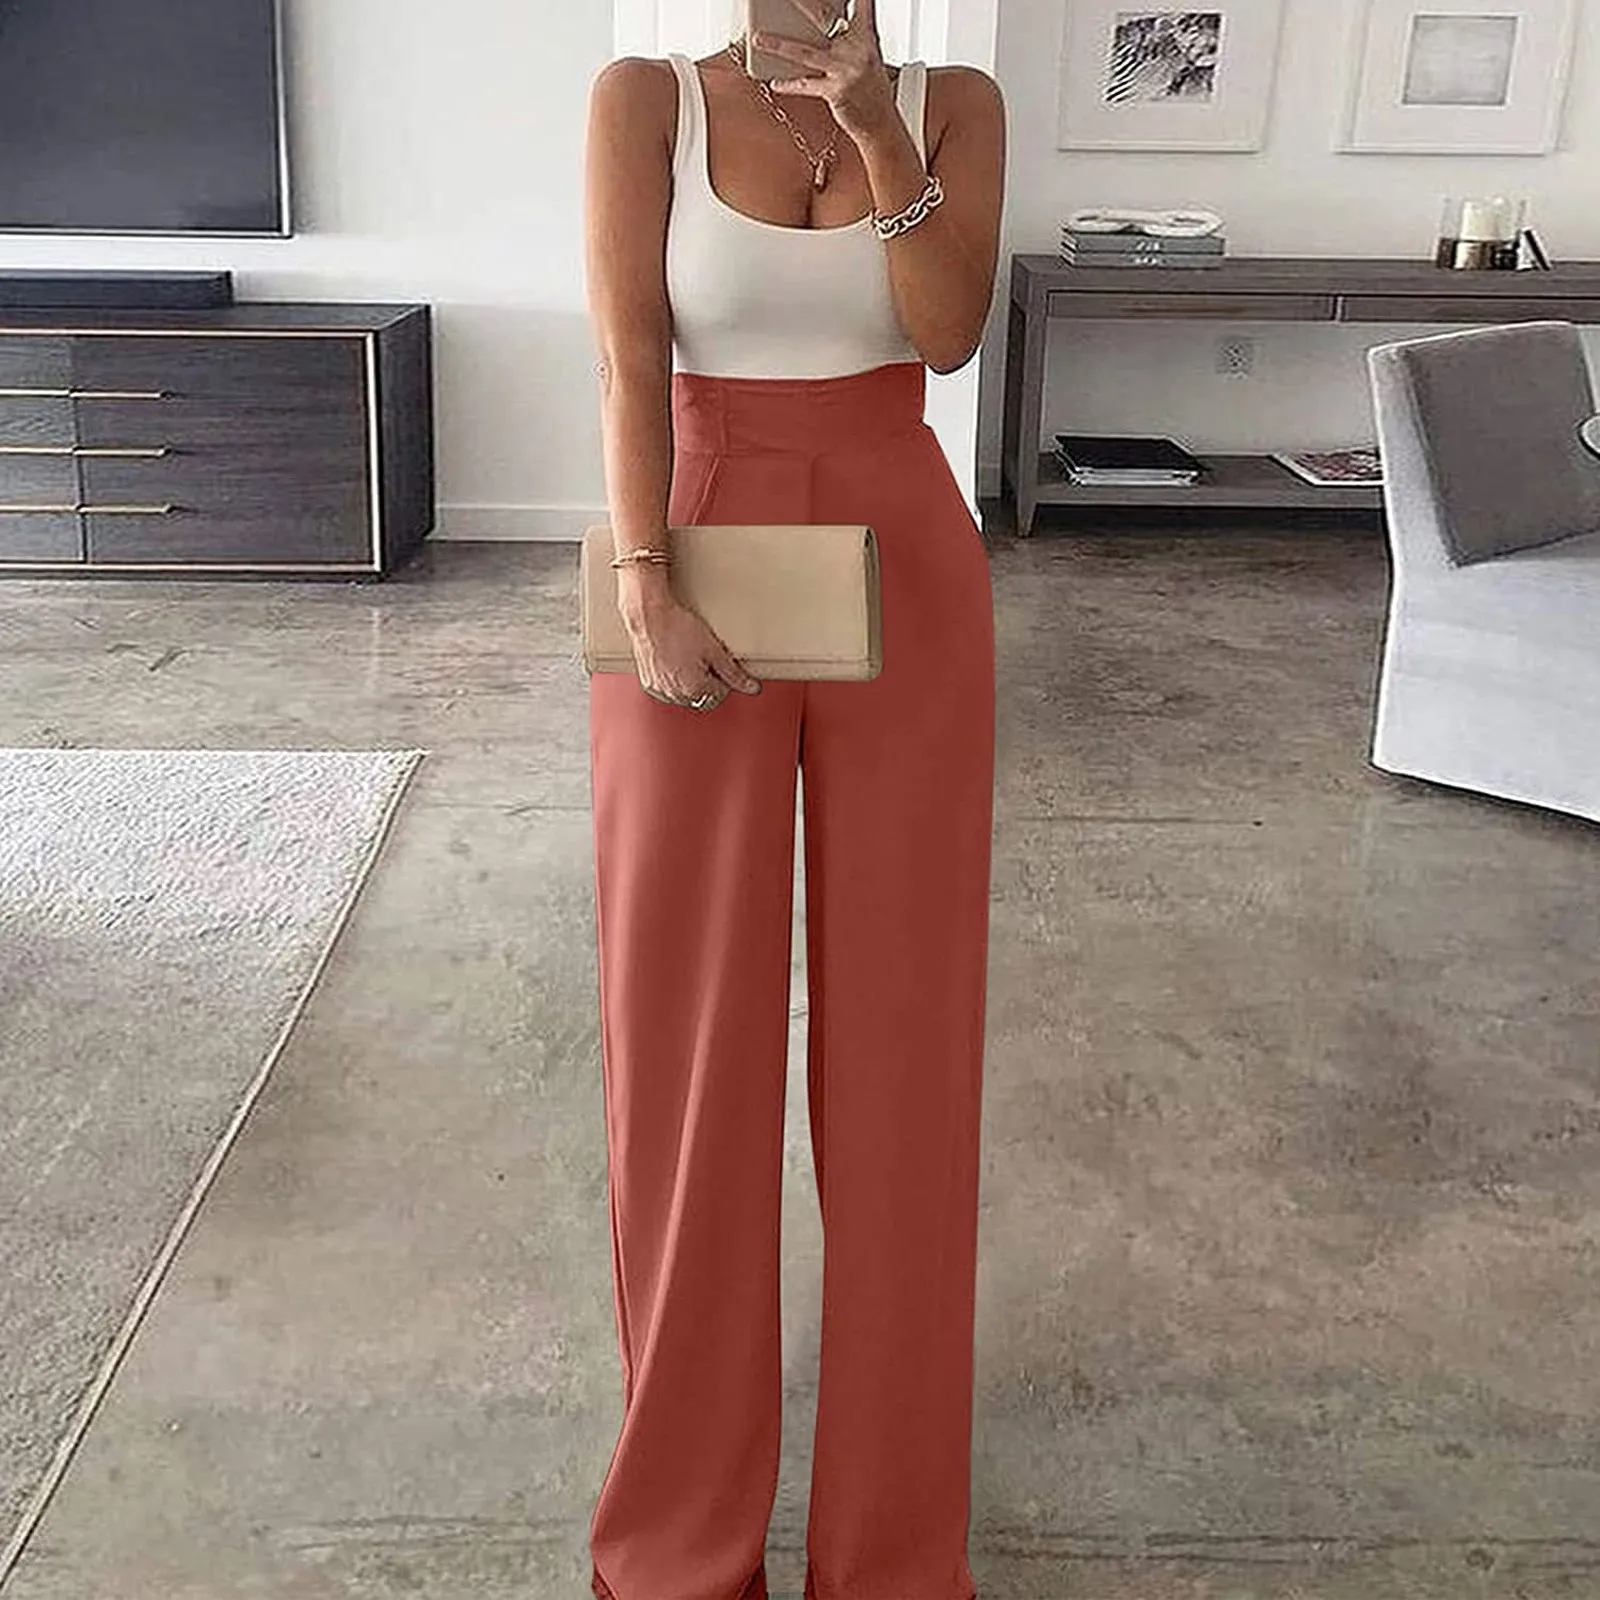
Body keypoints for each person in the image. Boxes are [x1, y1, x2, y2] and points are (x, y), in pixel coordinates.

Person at [582, 1, 1005, 1594]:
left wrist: (879, 122)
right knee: (686, 1048)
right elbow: (630, 349)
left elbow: (946, 336)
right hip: (696, 546)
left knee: (909, 1052)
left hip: (909, 551)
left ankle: (892, 1555)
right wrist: (642, 581)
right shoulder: (644, 100)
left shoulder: (956, 103)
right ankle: (681, 1545)